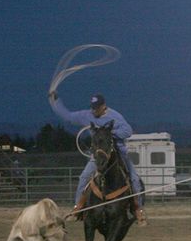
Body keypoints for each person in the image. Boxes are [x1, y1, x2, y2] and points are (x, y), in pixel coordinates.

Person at [48, 92, 147, 226]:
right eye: (93, 107)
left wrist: (110, 133)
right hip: (99, 153)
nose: (94, 110)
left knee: (134, 179)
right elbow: (68, 116)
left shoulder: (115, 117)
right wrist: (55, 102)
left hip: (118, 152)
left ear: (103, 106)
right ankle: (78, 208)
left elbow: (128, 131)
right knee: (84, 177)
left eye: (96, 107)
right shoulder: (87, 115)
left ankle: (138, 209)